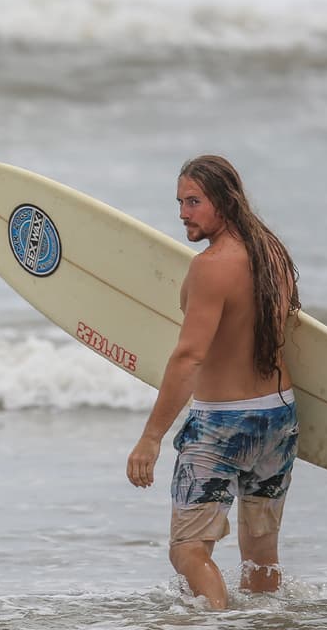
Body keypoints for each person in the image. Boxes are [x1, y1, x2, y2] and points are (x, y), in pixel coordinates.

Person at [125, 155, 301, 610]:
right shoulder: (273, 253)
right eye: (181, 201)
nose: (183, 212)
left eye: (194, 201)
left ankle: (220, 621)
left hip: (222, 425)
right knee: (260, 553)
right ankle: (264, 620)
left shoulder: (212, 266)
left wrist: (151, 438)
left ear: (225, 202)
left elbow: (189, 356)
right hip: (279, 418)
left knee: (187, 550)